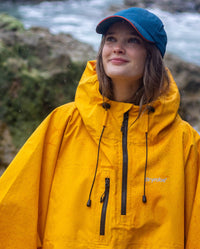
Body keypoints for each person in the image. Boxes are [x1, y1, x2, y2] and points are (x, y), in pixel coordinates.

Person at [0, 7, 199, 249]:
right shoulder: (63, 123)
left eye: (132, 40)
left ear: (152, 54)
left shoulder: (184, 141)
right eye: (111, 39)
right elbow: (14, 205)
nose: (117, 48)